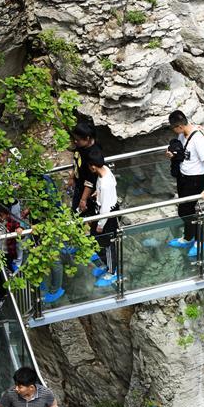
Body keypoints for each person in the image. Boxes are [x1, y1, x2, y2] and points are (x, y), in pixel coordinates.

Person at [166, 110, 204, 256]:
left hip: (195, 179)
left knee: (185, 211)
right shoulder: (182, 135)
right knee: (186, 210)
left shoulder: (197, 139)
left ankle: (202, 239)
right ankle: (188, 237)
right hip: (184, 176)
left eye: (174, 128)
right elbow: (183, 154)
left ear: (180, 126)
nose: (174, 131)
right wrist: (172, 155)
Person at [88, 157, 120, 287]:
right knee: (96, 239)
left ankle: (112, 272)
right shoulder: (105, 170)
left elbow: (106, 209)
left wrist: (101, 225)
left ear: (93, 166)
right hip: (101, 212)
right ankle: (105, 265)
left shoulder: (106, 184)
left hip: (107, 217)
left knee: (108, 244)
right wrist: (98, 193)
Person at [67, 121, 103, 215]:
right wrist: (72, 177)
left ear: (87, 138)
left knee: (82, 214)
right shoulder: (81, 146)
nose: (75, 141)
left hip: (87, 192)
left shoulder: (93, 154)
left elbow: (90, 180)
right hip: (79, 186)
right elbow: (76, 161)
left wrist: (83, 200)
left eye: (78, 140)